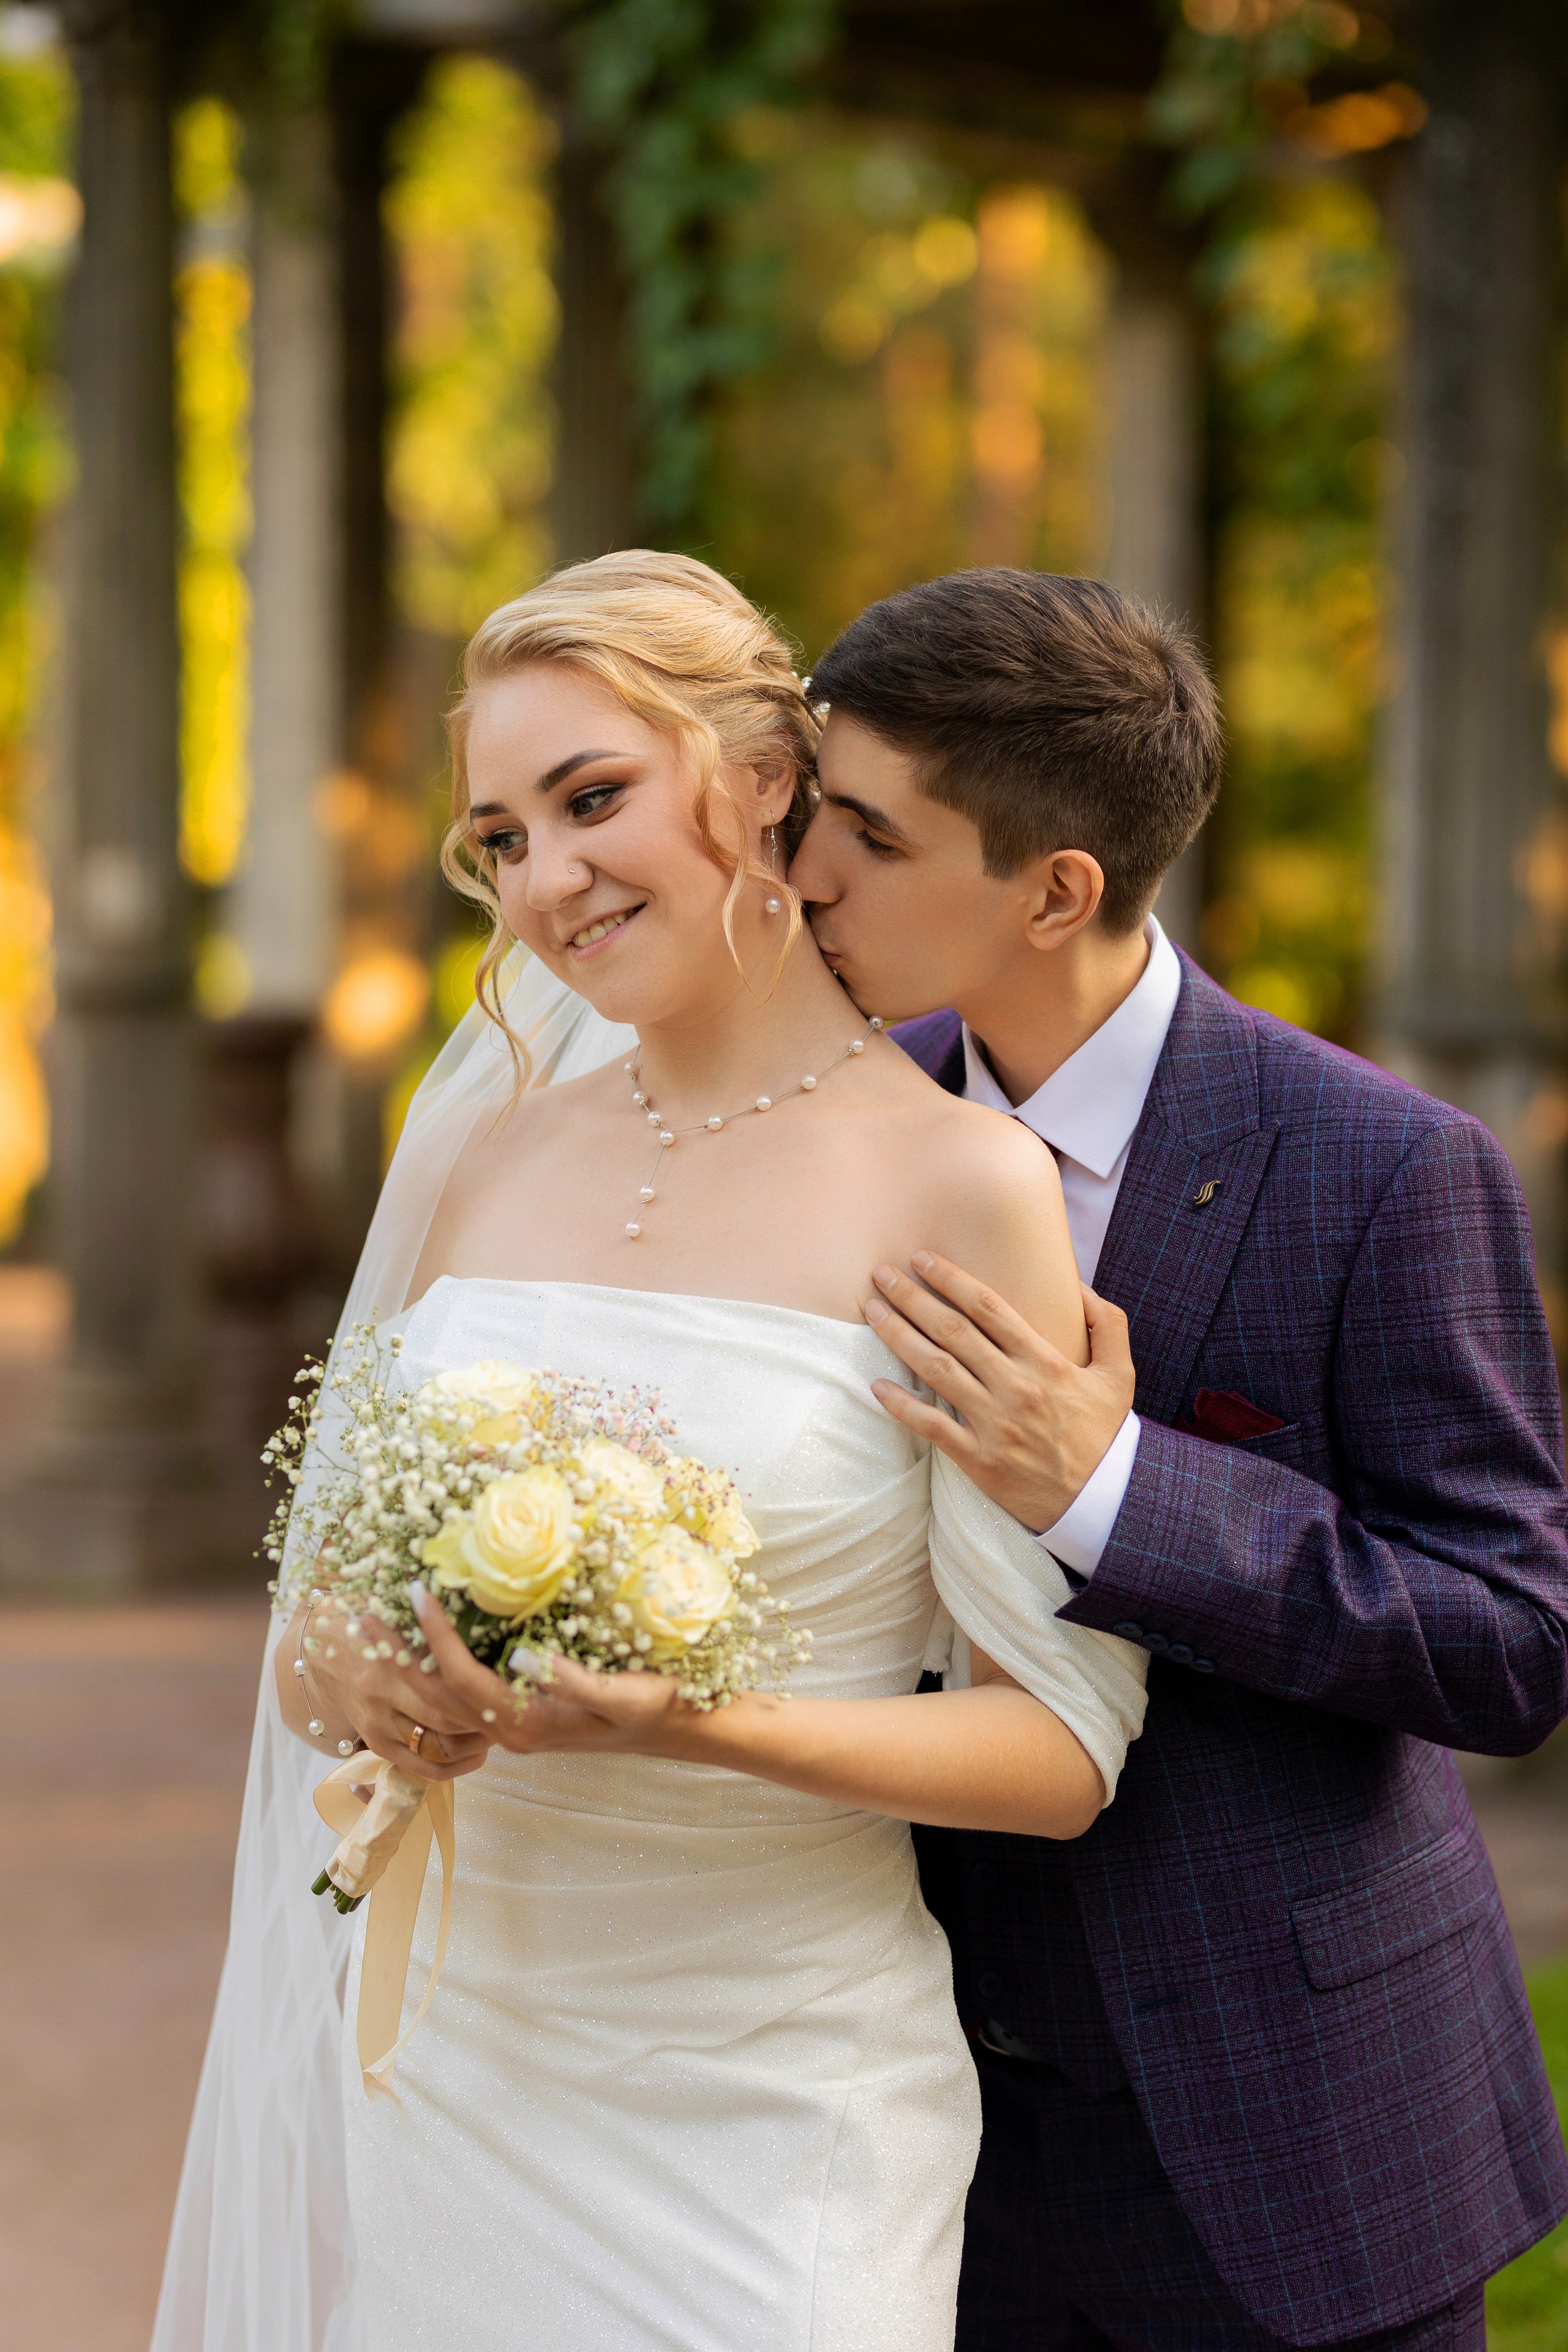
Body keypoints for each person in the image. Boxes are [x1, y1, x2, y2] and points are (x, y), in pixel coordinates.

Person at [151, 551, 1147, 2352]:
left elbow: (1062, 1744)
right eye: (501, 839)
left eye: (592, 799)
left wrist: (699, 1723)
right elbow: (310, 1652)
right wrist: (380, 1679)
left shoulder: (961, 1184)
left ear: (761, 776)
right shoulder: (475, 1157)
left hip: (773, 2113)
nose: (548, 882)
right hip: (459, 2077)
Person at [788, 568, 1568, 2351]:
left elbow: (1516, 1637)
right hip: (912, 2110)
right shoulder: (834, 1126)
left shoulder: (1384, 1168)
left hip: (1283, 2127)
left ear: (1056, 888)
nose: (805, 872)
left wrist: (1114, 1488)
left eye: (867, 834)